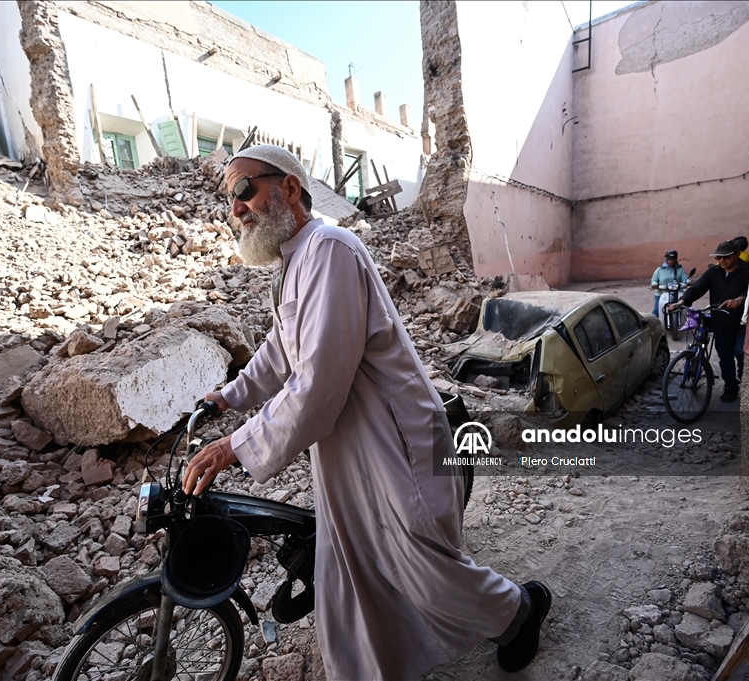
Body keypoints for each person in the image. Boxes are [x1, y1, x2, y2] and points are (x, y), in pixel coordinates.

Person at [182, 145, 551, 680]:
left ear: (288, 187)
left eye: (245, 190)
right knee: (355, 573)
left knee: (419, 566)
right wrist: (228, 396)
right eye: (229, 198)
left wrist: (236, 444)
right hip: (345, 448)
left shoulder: (330, 248)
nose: (235, 208)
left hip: (391, 438)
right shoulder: (294, 262)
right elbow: (281, 350)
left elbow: (317, 383)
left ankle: (519, 609)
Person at [670, 240, 749, 402]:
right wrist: (681, 302)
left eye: (726, 257)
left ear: (737, 254)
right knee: (724, 355)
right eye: (719, 258)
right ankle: (730, 386)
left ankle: (748, 383)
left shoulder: (748, 270)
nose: (722, 261)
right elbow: (698, 287)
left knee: (740, 352)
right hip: (720, 320)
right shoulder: (714, 272)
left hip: (742, 322)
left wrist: (741, 299)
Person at [650, 249, 690, 315]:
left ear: (676, 259)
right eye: (669, 259)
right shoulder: (660, 269)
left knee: (686, 309)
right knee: (656, 312)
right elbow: (654, 280)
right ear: (666, 259)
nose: (671, 261)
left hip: (678, 292)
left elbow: (685, 279)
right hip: (662, 293)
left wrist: (688, 282)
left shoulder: (680, 269)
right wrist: (655, 285)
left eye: (673, 260)